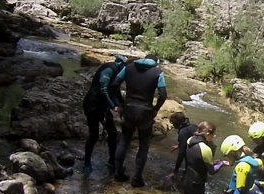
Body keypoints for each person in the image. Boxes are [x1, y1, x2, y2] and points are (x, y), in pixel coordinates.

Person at [111, 56, 167, 187]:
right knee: (143, 145)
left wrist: (121, 102)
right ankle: (136, 178)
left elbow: (114, 84)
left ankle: (118, 173)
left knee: (124, 141)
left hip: (129, 108)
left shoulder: (128, 68)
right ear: (155, 62)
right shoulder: (158, 73)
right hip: (145, 112)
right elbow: (163, 94)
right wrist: (156, 109)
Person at [81, 55, 127, 173]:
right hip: (92, 104)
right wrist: (113, 106)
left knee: (112, 133)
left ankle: (112, 161)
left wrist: (120, 104)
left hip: (103, 106)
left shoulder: (117, 73)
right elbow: (103, 89)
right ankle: (86, 162)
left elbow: (114, 92)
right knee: (94, 134)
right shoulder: (109, 69)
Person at [181, 121, 228, 194]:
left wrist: (213, 163)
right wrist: (221, 164)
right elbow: (212, 171)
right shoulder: (205, 148)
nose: (213, 136)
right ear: (207, 134)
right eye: (213, 134)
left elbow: (196, 160)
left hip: (187, 179)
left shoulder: (191, 140)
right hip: (197, 184)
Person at [167, 112, 199, 180]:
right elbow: (190, 139)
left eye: (172, 122)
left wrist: (175, 171)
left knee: (189, 173)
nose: (172, 124)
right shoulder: (193, 126)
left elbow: (181, 153)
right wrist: (179, 145)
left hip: (195, 155)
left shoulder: (183, 132)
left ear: (176, 123)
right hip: (202, 152)